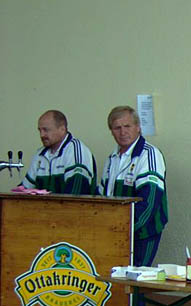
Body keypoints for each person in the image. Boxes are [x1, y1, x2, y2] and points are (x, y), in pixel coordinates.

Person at [98, 106, 168, 267]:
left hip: (143, 233)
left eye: (127, 126)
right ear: (111, 131)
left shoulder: (149, 155)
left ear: (138, 127)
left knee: (135, 281)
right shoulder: (112, 158)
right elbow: (103, 196)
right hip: (115, 233)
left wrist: (126, 230)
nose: (123, 132)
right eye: (117, 128)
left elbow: (149, 203)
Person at [20, 110, 96, 194]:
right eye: (40, 130)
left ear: (62, 129)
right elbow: (25, 189)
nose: (41, 135)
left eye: (45, 130)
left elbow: (75, 194)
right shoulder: (40, 154)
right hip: (43, 207)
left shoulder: (76, 149)